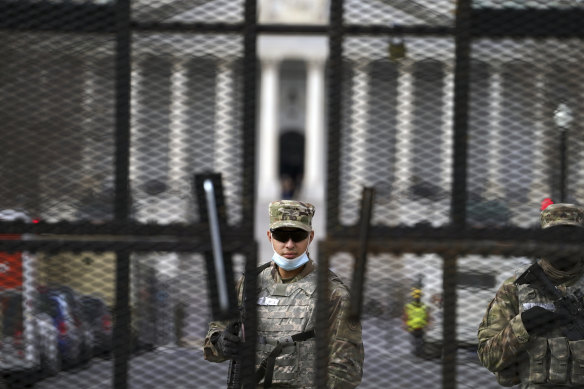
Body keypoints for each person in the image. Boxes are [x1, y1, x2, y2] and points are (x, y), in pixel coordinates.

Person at [203, 200, 364, 388]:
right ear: (269, 236)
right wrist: (222, 343)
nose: (289, 245)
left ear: (310, 237)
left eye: (298, 235)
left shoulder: (332, 293)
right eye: (281, 235)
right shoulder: (249, 284)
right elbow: (211, 345)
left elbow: (347, 369)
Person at [477, 202, 584, 388]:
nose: (563, 244)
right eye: (555, 237)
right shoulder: (516, 287)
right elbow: (488, 357)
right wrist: (522, 325)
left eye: (572, 237)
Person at [402, 287, 429, 357]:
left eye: (418, 296)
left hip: (417, 327)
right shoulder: (423, 306)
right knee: (418, 341)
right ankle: (418, 352)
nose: (417, 298)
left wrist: (404, 325)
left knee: (418, 341)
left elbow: (427, 317)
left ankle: (418, 352)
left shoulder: (423, 306)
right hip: (416, 327)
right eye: (416, 297)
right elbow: (405, 317)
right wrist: (404, 324)